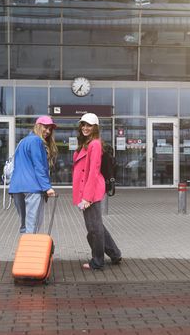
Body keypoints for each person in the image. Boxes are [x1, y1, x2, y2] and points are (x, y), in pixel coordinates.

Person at [72, 113, 122, 270]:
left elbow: (93, 171)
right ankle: (115, 253)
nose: (85, 128)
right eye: (83, 125)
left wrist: (87, 197)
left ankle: (98, 261)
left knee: (94, 228)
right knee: (97, 226)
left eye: (89, 125)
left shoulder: (95, 144)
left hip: (90, 191)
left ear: (95, 127)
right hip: (86, 189)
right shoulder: (86, 143)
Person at [9, 116, 58, 234]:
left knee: (24, 225)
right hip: (32, 187)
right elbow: (39, 166)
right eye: (45, 127)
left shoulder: (23, 141)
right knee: (32, 225)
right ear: (38, 126)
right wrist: (47, 187)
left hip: (17, 187)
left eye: (50, 129)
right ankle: (30, 252)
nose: (48, 131)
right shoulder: (36, 141)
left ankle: (25, 251)